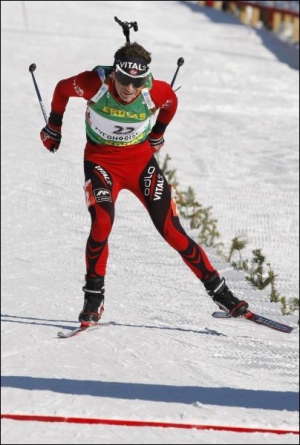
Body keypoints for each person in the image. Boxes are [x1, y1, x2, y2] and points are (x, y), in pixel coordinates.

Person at [40, 42, 249, 327]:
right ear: (114, 74)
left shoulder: (155, 91)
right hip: (101, 162)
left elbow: (171, 104)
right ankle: (93, 298)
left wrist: (158, 133)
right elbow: (62, 89)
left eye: (137, 82)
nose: (130, 88)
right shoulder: (94, 84)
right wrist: (54, 125)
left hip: (140, 163)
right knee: (101, 222)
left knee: (173, 232)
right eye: (125, 80)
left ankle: (221, 292)